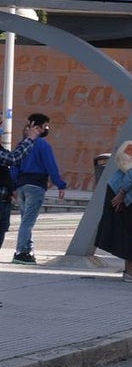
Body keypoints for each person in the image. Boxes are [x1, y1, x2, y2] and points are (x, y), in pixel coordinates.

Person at [12, 112, 66, 264]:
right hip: (35, 186)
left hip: (21, 186)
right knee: (28, 221)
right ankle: (21, 251)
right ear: (37, 127)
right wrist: (60, 184)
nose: (47, 128)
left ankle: (27, 250)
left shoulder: (22, 144)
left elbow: (14, 166)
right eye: (45, 126)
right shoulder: (43, 145)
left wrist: (14, 186)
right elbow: (51, 166)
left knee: (25, 220)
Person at [96, 139, 132, 281]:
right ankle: (130, 270)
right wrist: (122, 194)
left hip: (126, 191)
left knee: (128, 228)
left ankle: (130, 267)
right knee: (128, 229)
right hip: (122, 192)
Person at [0, 117, 44, 251]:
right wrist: (29, 139)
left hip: (4, 201)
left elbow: (8, 163)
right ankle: (23, 251)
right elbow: (13, 159)